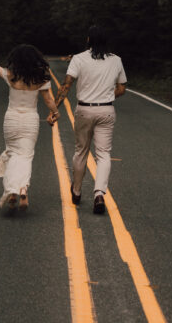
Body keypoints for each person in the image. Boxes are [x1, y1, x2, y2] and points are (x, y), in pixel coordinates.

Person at [0, 37, 59, 212]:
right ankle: (22, 189)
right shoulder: (41, 77)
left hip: (11, 119)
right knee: (25, 156)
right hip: (30, 120)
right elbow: (48, 99)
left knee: (12, 153)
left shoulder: (10, 74)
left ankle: (12, 191)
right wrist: (55, 112)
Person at [54, 24, 127, 215]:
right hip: (106, 110)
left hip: (85, 109)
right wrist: (106, 96)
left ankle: (76, 190)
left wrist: (54, 108)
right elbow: (121, 88)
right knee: (103, 154)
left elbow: (66, 85)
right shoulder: (116, 60)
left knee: (81, 151)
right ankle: (99, 194)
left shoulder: (79, 59)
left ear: (88, 40)